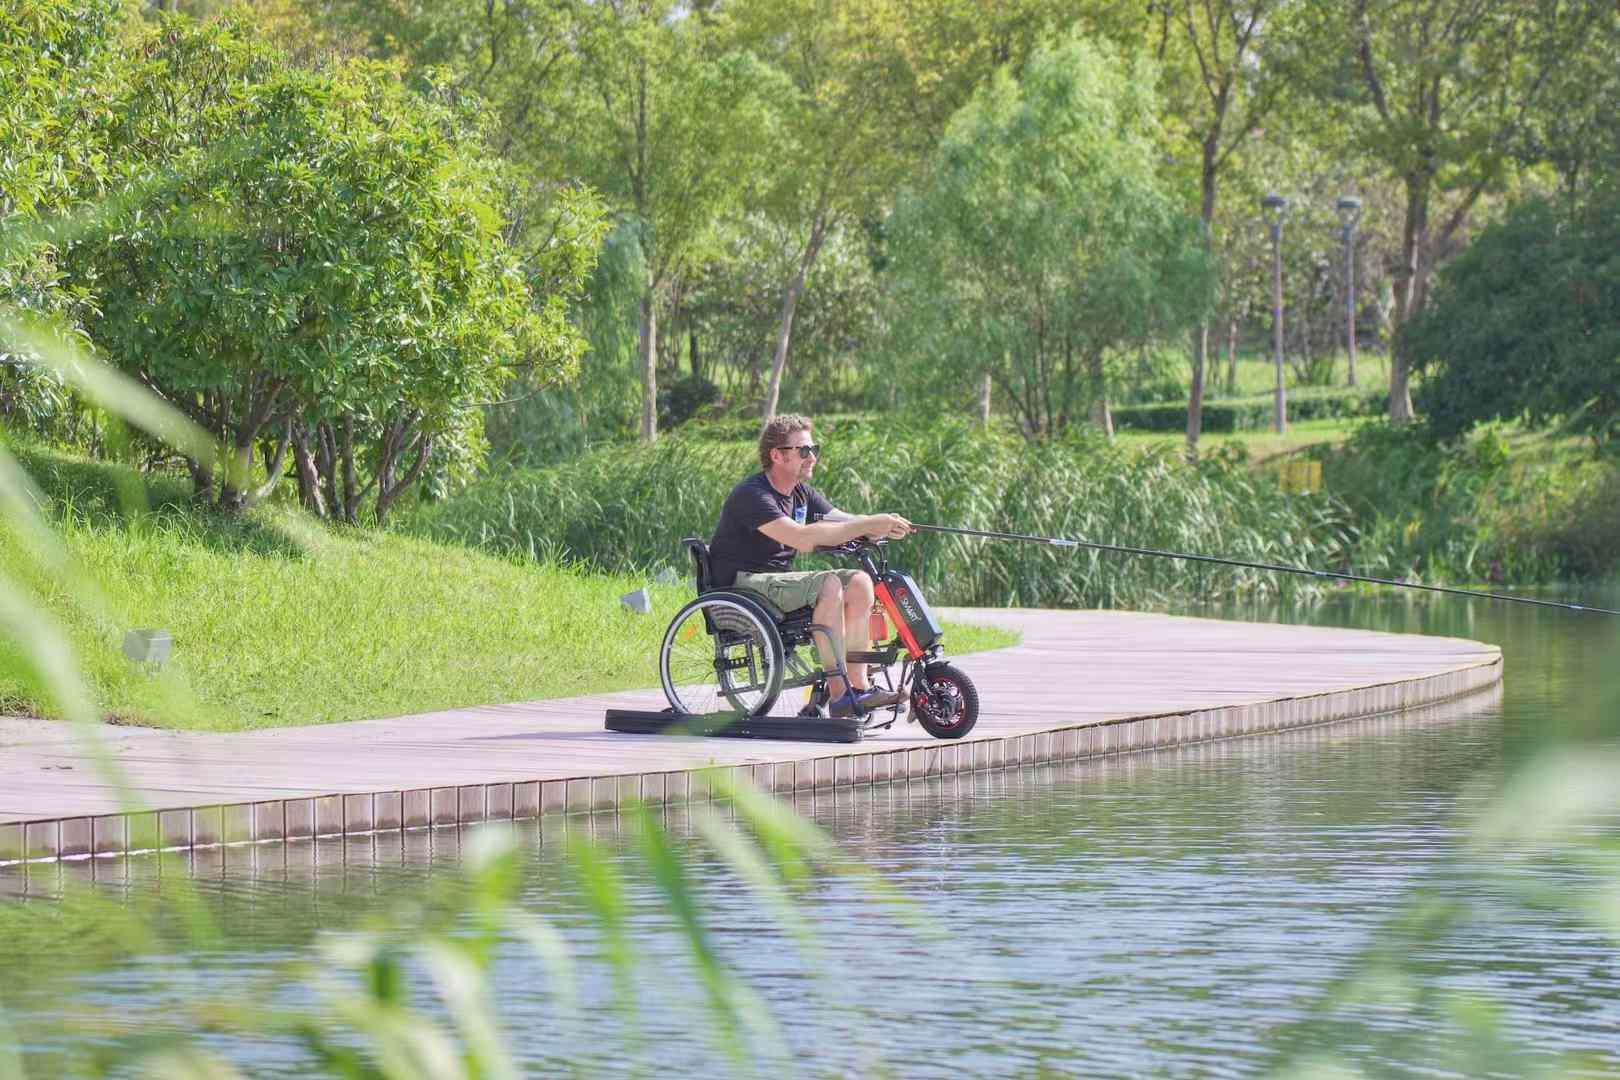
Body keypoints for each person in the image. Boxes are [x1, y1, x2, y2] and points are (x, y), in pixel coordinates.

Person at [708, 414, 912, 717]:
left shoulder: (801, 492)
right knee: (828, 584)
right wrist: (869, 523)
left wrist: (882, 525)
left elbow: (844, 521)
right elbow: (800, 538)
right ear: (777, 455)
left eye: (813, 449)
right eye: (804, 451)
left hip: (776, 584)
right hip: (743, 585)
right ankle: (840, 695)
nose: (812, 457)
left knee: (858, 582)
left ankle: (858, 688)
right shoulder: (752, 495)